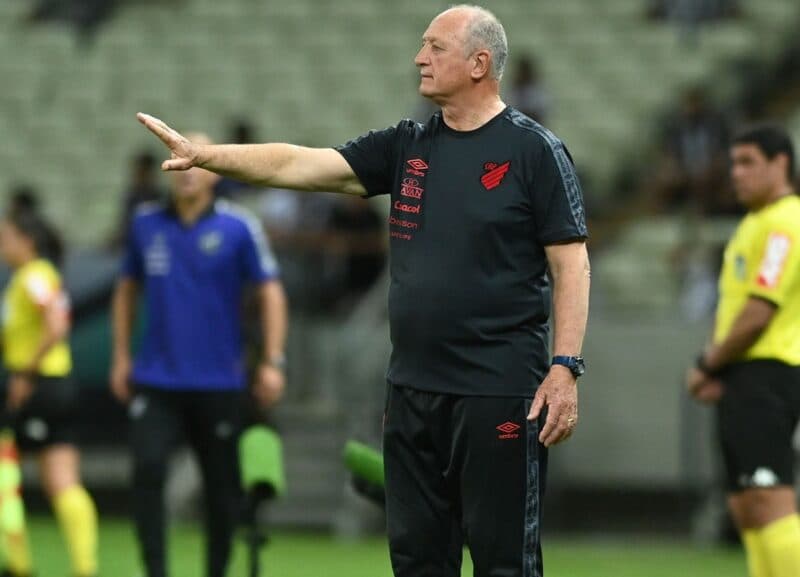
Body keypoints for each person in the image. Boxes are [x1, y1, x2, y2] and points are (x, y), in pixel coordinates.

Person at [135, 5, 590, 576]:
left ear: (480, 63)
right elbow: (300, 163)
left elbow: (571, 264)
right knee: (418, 561)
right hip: (412, 393)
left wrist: (566, 366)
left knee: (505, 563)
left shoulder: (535, 152)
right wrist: (210, 157)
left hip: (499, 392)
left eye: (434, 47)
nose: (418, 58)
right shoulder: (407, 146)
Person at [109, 133, 288, 577]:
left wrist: (272, 359)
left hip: (219, 382)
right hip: (156, 378)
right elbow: (126, 289)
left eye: (196, 161)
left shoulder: (238, 227)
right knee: (148, 471)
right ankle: (155, 570)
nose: (186, 170)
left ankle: (216, 570)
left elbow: (270, 290)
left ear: (214, 171)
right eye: (176, 158)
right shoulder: (144, 223)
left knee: (221, 489)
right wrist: (120, 356)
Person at [686, 124, 800, 577]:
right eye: (733, 163)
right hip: (741, 375)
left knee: (771, 500)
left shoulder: (784, 223)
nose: (736, 173)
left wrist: (707, 363)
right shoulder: (754, 223)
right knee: (747, 507)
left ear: (781, 164)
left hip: (767, 373)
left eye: (748, 162)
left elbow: (758, 312)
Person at [0, 209, 98, 577]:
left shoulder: (33, 276)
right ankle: (84, 568)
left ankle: (19, 564)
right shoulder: (30, 278)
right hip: (57, 383)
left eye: (6, 236)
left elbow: (55, 324)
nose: (1, 244)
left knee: (5, 474)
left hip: (36, 385)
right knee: (62, 480)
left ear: (27, 241)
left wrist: (25, 372)